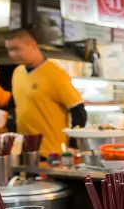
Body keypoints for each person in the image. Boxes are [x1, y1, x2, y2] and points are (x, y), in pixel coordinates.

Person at [6, 29, 86, 157]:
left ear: (32, 45)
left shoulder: (55, 75)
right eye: (9, 50)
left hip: (52, 153)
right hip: (25, 152)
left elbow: (78, 110)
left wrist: (73, 144)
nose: (12, 54)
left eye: (16, 49)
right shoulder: (17, 73)